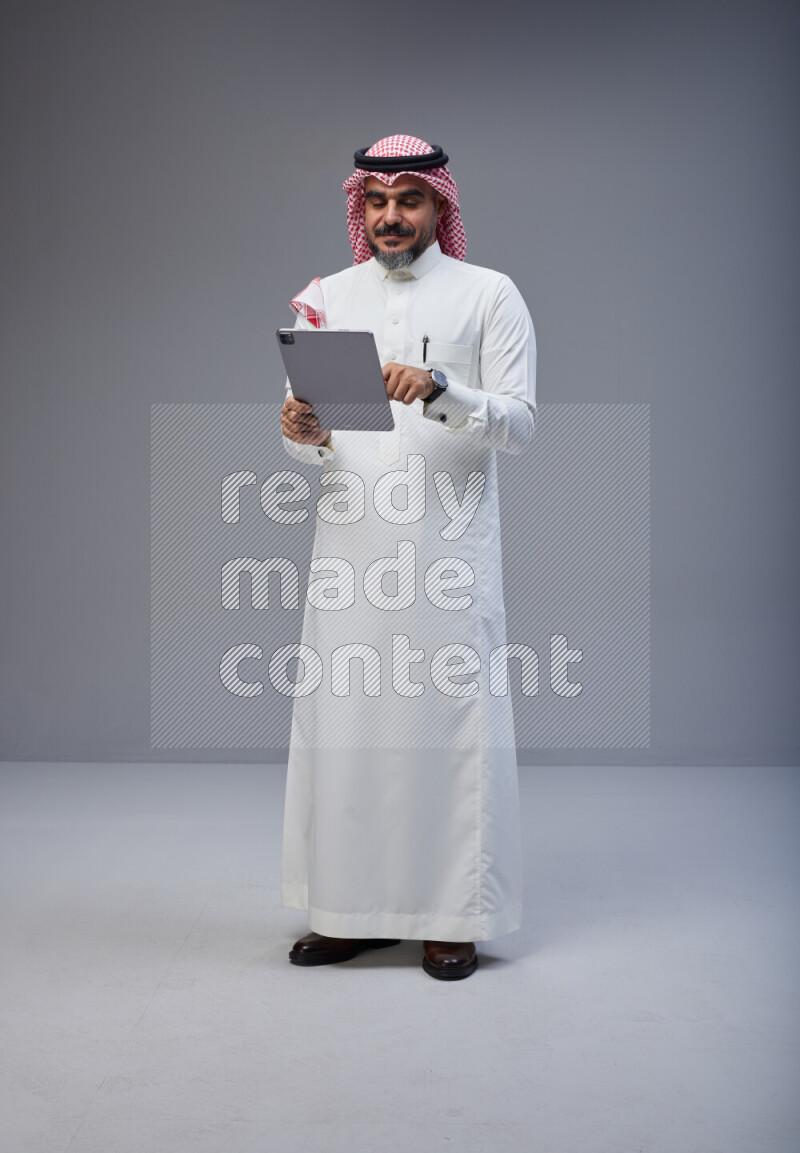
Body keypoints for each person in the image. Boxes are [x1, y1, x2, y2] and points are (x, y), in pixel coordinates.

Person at [279, 135, 537, 980]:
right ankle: (349, 912)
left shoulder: (488, 296)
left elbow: (521, 425)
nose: (392, 216)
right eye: (377, 202)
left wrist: (440, 390)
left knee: (446, 730)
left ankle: (451, 915)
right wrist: (302, 432)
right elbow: (310, 433)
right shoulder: (327, 295)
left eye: (409, 200)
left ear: (439, 206)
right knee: (349, 730)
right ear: (362, 208)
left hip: (447, 555)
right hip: (350, 553)